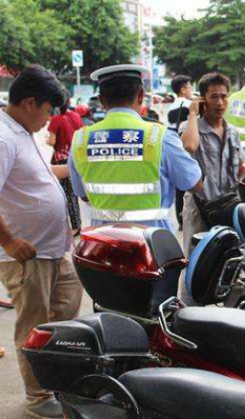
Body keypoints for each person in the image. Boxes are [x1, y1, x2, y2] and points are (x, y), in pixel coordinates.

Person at [0, 65, 83, 419]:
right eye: (48, 111)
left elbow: (41, 177)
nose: (49, 120)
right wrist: (9, 242)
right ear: (30, 102)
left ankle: (58, 382)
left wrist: (79, 166)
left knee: (64, 318)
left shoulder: (21, 132)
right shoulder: (3, 137)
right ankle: (38, 397)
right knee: (33, 328)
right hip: (27, 253)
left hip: (54, 249)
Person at [69, 64, 203, 233]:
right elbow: (194, 184)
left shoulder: (80, 140)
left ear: (101, 100)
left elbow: (82, 195)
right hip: (153, 245)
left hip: (102, 245)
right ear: (140, 96)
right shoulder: (161, 137)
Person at [179, 72, 244, 252]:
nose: (220, 103)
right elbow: (190, 146)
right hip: (200, 210)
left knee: (228, 261)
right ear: (203, 100)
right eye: (214, 97)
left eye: (223, 96)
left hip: (227, 207)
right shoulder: (190, 127)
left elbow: (241, 167)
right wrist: (192, 113)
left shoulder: (232, 132)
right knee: (196, 262)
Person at [47, 92, 83, 235]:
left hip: (61, 159)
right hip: (75, 157)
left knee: (63, 195)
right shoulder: (75, 116)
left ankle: (73, 227)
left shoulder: (56, 119)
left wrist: (45, 139)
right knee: (72, 194)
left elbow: (52, 141)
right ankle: (76, 224)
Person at [167, 75, 193, 230]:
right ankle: (189, 217)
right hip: (187, 149)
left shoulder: (171, 107)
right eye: (189, 87)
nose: (191, 90)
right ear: (183, 90)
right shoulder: (189, 106)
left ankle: (181, 218)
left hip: (174, 148)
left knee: (178, 188)